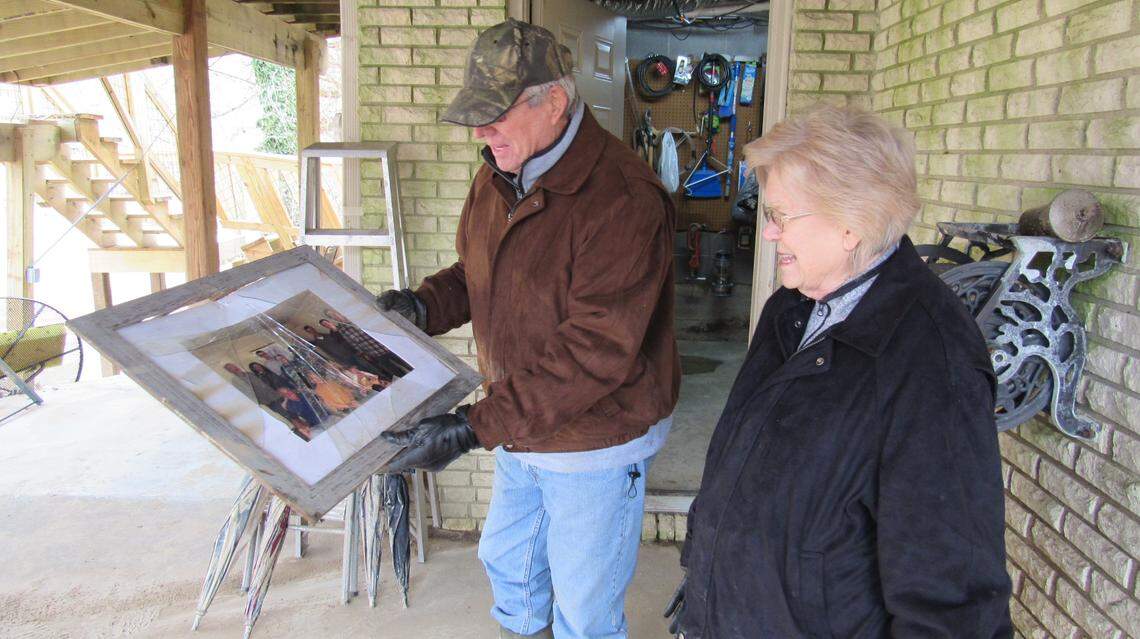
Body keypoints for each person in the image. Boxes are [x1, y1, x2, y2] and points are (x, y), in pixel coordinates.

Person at [376, 19, 680, 639]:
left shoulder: (623, 198)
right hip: (521, 419)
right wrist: (422, 306)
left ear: (556, 102)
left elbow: (595, 353)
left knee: (584, 603)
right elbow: (478, 270)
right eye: (476, 116)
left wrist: (471, 427)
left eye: (495, 114)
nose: (481, 133)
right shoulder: (498, 171)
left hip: (596, 437)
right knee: (509, 566)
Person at [666, 105, 1012, 638]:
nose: (769, 235)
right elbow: (744, 459)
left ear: (851, 221)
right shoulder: (793, 305)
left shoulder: (932, 364)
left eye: (783, 216)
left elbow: (953, 603)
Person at [323, 309, 413, 378]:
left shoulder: (356, 318)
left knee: (408, 363)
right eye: (332, 316)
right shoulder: (342, 330)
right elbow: (355, 344)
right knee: (396, 372)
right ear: (332, 319)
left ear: (338, 312)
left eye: (335, 313)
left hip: (387, 347)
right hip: (375, 353)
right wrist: (368, 354)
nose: (335, 316)